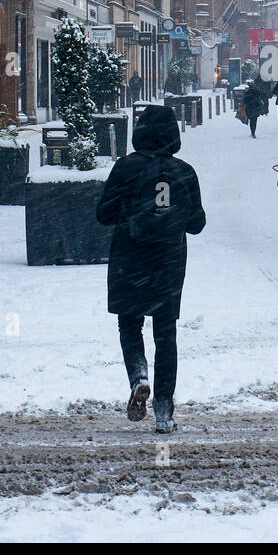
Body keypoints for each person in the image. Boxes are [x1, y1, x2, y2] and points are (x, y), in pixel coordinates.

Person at [96, 105, 207, 433]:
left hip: (129, 259)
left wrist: (131, 211)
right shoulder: (185, 172)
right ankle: (164, 409)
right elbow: (197, 224)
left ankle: (138, 376)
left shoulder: (125, 168)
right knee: (165, 333)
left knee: (129, 325)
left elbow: (103, 214)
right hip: (168, 262)